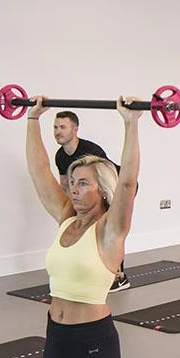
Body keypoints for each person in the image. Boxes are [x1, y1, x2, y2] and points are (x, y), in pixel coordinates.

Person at [26, 95, 180, 358]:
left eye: (83, 183)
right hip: (56, 338)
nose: (73, 190)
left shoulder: (110, 230)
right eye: (71, 183)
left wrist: (131, 124)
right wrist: (33, 120)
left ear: (102, 188)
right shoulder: (67, 217)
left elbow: (128, 183)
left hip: (92, 343)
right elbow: (39, 173)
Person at [52, 109, 131, 292]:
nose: (58, 131)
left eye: (63, 127)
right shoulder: (60, 156)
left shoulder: (90, 150)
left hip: (115, 187)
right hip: (93, 190)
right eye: (55, 127)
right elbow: (66, 185)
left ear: (75, 129)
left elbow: (109, 179)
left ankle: (119, 276)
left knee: (112, 230)